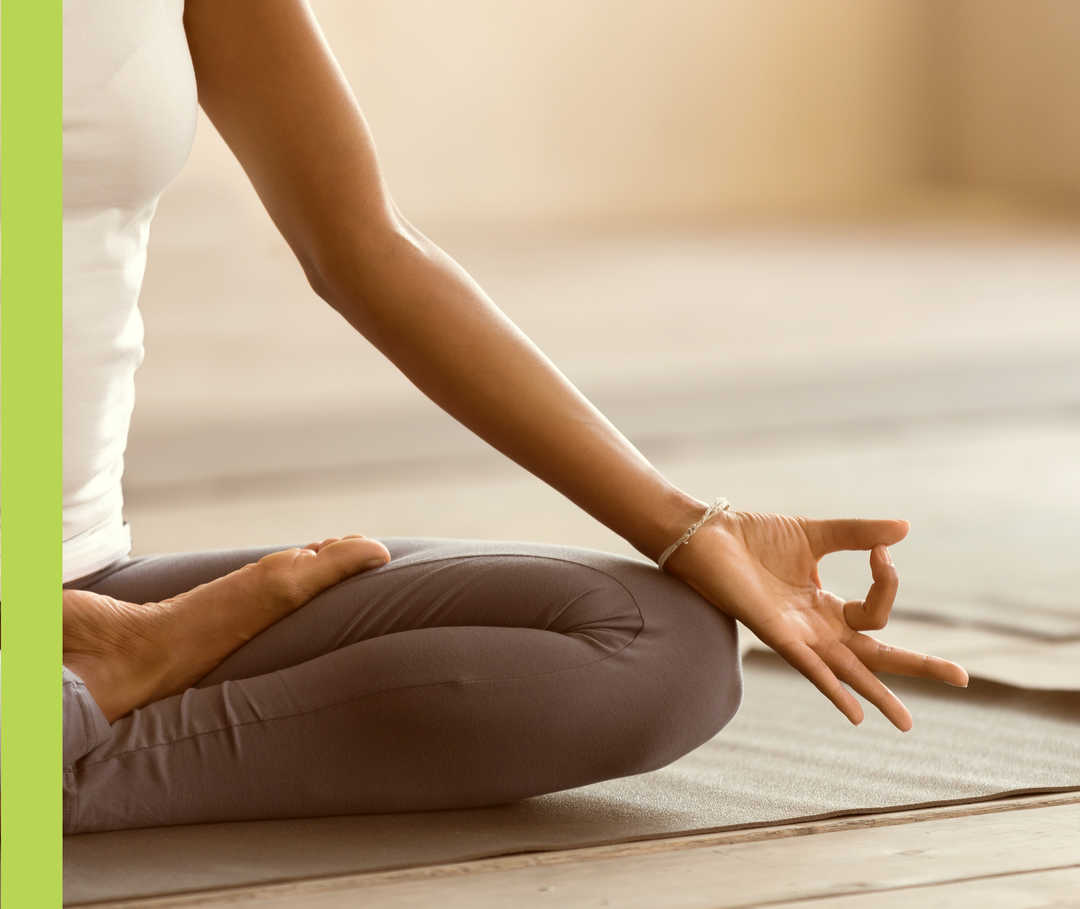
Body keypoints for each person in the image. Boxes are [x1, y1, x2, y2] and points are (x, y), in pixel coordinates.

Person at [59, 0, 968, 835]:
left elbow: (364, 244)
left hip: (88, 574)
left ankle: (71, 708)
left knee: (660, 649)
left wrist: (689, 526)